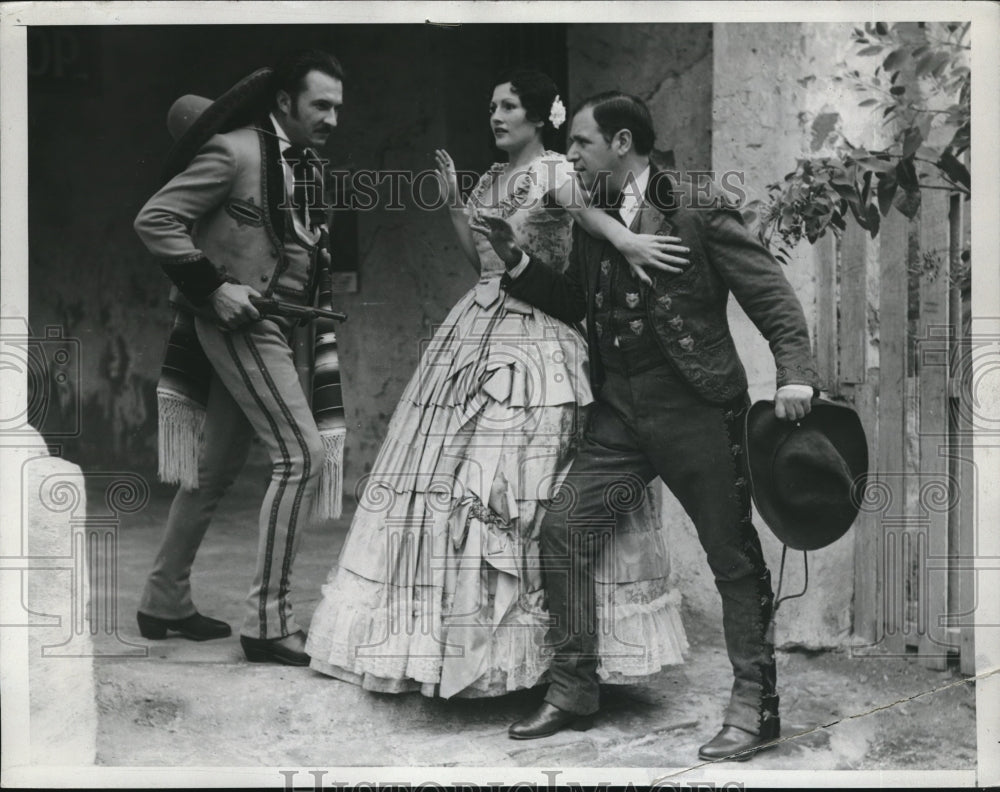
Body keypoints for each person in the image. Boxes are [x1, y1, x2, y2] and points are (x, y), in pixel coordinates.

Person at [305, 70, 690, 697]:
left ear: (541, 118)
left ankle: (538, 650)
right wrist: (456, 202)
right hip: (475, 326)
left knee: (510, 486)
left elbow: (592, 221)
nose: (496, 115)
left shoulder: (557, 172)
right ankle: (454, 646)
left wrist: (630, 242)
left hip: (537, 335)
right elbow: (477, 258)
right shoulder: (490, 178)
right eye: (492, 106)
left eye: (509, 106)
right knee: (448, 483)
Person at [472, 91, 820, 759]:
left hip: (698, 410)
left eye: (581, 143)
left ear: (623, 143)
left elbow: (768, 292)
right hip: (620, 416)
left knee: (732, 559)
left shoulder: (694, 202)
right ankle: (574, 688)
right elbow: (576, 300)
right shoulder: (594, 217)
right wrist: (516, 262)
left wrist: (794, 374)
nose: (570, 156)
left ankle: (756, 706)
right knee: (564, 531)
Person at [133, 49, 346, 666]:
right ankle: (269, 622)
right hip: (238, 323)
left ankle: (163, 598)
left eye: (338, 107)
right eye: (320, 105)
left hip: (277, 327)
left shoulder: (307, 167)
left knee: (215, 470)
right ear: (285, 103)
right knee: (301, 457)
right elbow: (157, 219)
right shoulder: (236, 151)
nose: (332, 118)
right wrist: (213, 287)